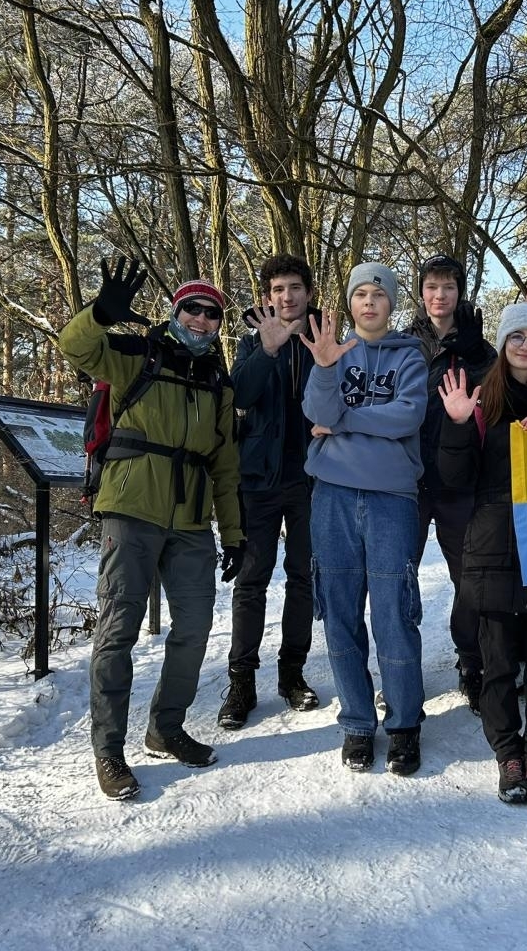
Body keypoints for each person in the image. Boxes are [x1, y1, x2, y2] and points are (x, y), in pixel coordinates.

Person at [59, 259, 244, 800]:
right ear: (176, 310)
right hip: (131, 509)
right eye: (194, 308)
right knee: (118, 630)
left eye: (213, 313)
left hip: (190, 519)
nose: (203, 319)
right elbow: (75, 347)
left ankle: (165, 727)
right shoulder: (137, 354)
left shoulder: (217, 380)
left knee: (195, 627)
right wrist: (99, 313)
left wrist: (232, 534)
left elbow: (225, 465)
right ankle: (109, 751)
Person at [437, 302, 527, 816]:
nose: (526, 346)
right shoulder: (481, 397)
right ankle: (508, 755)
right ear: (502, 342)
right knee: (497, 661)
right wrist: (456, 425)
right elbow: (454, 480)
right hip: (494, 540)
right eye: (516, 336)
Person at [302, 263, 430, 775]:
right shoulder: (331, 354)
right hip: (331, 495)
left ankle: (403, 724)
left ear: (391, 303)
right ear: (350, 304)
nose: (370, 302)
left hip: (391, 498)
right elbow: (315, 406)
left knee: (394, 612)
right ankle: (357, 722)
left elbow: (407, 415)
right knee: (339, 611)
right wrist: (327, 368)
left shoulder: (409, 356)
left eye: (379, 293)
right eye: (360, 294)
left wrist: (343, 420)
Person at [219, 255, 322, 730]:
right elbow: (239, 396)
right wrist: (267, 350)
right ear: (267, 297)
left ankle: (292, 673)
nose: (287, 296)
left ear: (308, 291)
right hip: (258, 481)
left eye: (295, 287)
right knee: (253, 581)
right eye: (278, 288)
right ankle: (241, 681)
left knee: (303, 577)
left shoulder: (324, 339)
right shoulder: (250, 343)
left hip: (311, 480)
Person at [404, 253, 497, 713]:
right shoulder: (402, 343)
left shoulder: (476, 344)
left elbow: (499, 395)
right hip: (407, 480)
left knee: (470, 577)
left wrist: (480, 356)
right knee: (400, 576)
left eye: (448, 287)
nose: (439, 296)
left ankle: (471, 660)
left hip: (461, 481)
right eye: (431, 287)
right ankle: (402, 667)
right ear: (420, 294)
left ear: (460, 292)